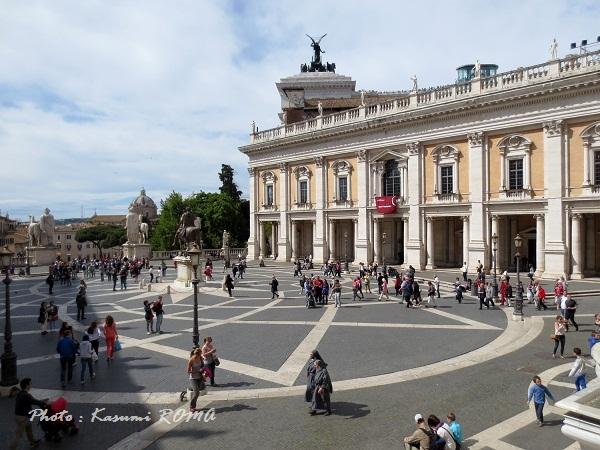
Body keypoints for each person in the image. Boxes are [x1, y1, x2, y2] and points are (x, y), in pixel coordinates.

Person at [8, 378, 47, 450]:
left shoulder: (21, 393)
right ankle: (12, 448)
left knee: (29, 428)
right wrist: (44, 403)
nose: (31, 385)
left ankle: (33, 442)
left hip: (22, 416)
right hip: (22, 418)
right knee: (18, 435)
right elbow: (35, 401)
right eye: (30, 384)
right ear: (27, 385)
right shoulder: (26, 395)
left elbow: (31, 401)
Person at [187, 347, 207, 412]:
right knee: (196, 393)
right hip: (193, 378)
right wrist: (197, 371)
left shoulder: (200, 358)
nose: (201, 355)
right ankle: (191, 406)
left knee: (197, 392)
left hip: (200, 377)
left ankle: (193, 406)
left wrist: (203, 371)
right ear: (197, 354)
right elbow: (188, 371)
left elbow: (203, 366)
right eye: (200, 354)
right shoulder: (191, 360)